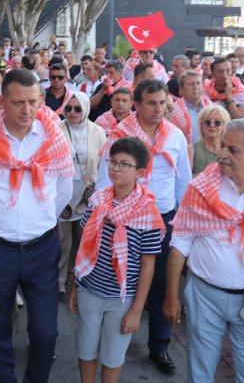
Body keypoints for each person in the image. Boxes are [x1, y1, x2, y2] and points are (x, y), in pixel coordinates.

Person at [0, 69, 74, 382]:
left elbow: (63, 190)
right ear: (1, 101)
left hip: (42, 247)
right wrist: (1, 220)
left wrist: (37, 218)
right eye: (19, 102)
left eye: (33, 102)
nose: (27, 110)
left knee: (46, 331)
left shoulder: (53, 138)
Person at [165, 119, 244, 382]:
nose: (222, 154)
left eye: (232, 150)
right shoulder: (200, 188)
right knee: (200, 372)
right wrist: (171, 296)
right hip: (204, 295)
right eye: (223, 146)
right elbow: (180, 242)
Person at [97, 79, 192, 375]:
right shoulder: (120, 135)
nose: (158, 109)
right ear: (137, 104)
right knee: (119, 280)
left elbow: (182, 181)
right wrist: (106, 217)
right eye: (151, 103)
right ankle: (114, 342)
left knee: (161, 283)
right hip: (124, 218)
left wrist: (179, 221)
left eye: (163, 103)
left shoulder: (175, 136)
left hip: (161, 220)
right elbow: (105, 177)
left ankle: (159, 345)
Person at [71, 137, 164, 383]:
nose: (116, 168)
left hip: (121, 298)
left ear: (140, 172)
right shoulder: (98, 200)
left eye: (124, 164)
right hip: (89, 290)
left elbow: (147, 264)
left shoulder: (147, 212)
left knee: (113, 355)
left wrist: (136, 310)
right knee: (86, 349)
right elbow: (83, 247)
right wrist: (74, 286)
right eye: (112, 162)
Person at [57, 92, 106, 295]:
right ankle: (58, 281)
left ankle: (74, 278)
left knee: (82, 239)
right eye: (69, 108)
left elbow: (103, 163)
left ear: (86, 109)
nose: (73, 112)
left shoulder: (97, 131)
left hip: (86, 193)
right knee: (63, 241)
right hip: (63, 192)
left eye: (78, 108)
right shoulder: (57, 130)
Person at [171, 71, 211, 146]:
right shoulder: (174, 111)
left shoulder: (210, 105)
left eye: (198, 83)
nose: (195, 87)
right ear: (181, 90)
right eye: (190, 84)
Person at [192, 105, 230, 176]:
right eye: (207, 122)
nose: (212, 125)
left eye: (217, 122)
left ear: (224, 126)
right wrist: (208, 174)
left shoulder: (230, 150)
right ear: (201, 125)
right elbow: (185, 178)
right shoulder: (192, 149)